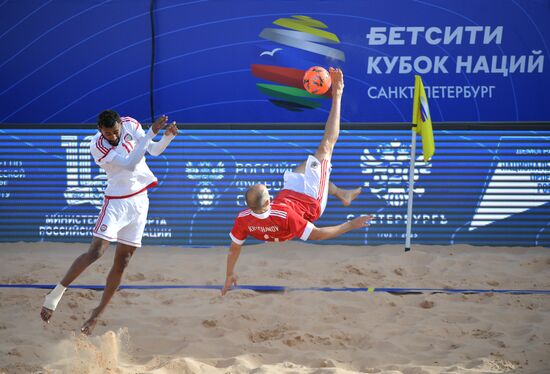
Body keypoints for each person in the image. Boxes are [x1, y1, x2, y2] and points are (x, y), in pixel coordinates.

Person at [222, 68, 373, 296]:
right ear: (269, 200)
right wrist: (351, 224)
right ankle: (339, 94)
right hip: (311, 202)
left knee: (306, 165)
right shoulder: (286, 217)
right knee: (326, 146)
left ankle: (341, 193)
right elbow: (319, 235)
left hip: (290, 196)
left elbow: (234, 249)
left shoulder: (243, 219)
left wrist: (229, 274)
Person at [40, 110, 178, 334]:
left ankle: (96, 316)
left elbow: (152, 150)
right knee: (95, 252)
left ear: (120, 126)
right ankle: (55, 293)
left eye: (115, 132)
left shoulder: (131, 124)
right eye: (107, 133)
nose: (112, 137)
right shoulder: (97, 145)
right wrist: (151, 132)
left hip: (140, 201)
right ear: (99, 131)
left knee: (123, 261)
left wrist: (166, 137)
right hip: (116, 202)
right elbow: (131, 164)